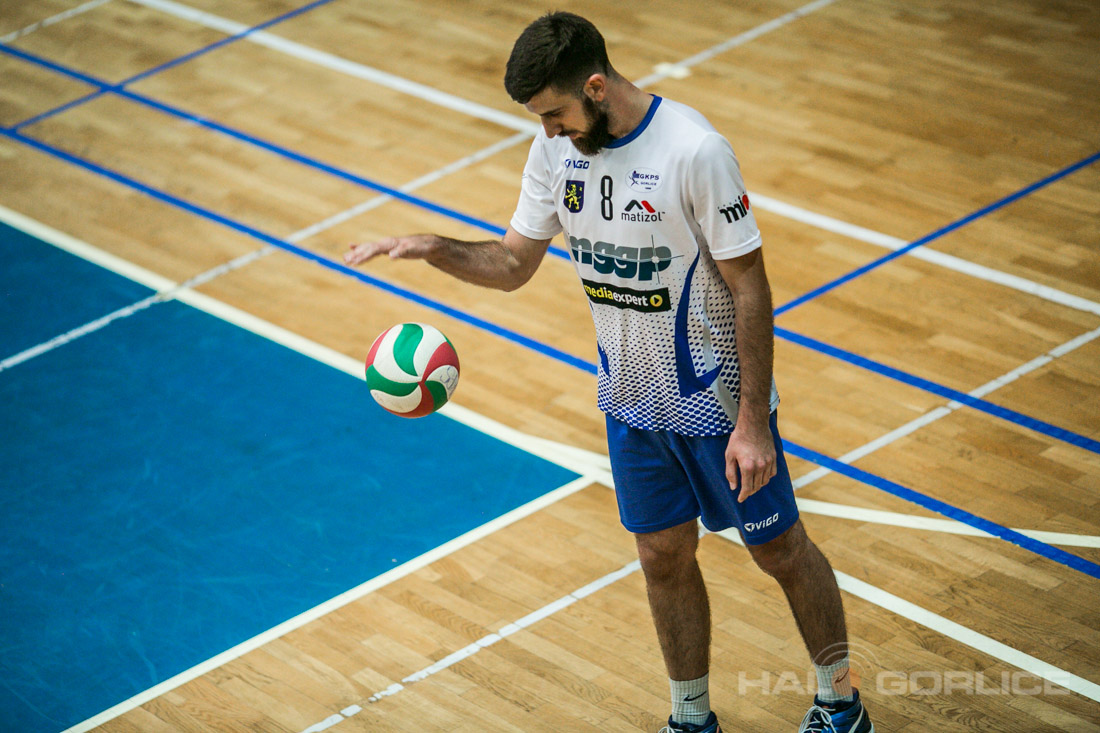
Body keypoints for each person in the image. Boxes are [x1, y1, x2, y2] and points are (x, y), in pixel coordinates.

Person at [345, 12, 873, 733]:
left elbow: (750, 286)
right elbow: (512, 262)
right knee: (661, 556)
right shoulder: (554, 151)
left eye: (555, 114)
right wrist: (432, 245)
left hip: (716, 404)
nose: (549, 131)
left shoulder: (694, 150)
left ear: (596, 87)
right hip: (630, 404)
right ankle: (691, 718)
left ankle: (840, 703)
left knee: (779, 550)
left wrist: (753, 421)